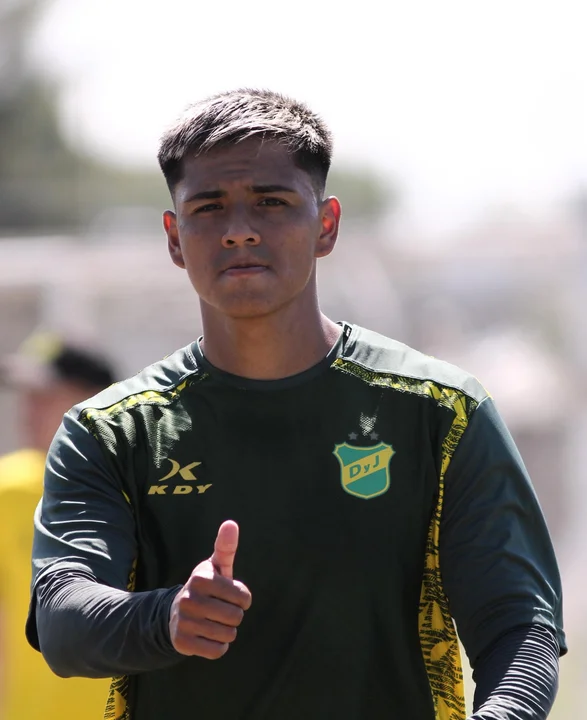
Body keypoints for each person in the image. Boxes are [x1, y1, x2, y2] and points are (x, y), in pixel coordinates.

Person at [25, 90, 565, 720]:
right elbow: (62, 618)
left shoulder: (441, 412)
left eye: (272, 201)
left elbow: (521, 628)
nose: (240, 228)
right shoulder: (109, 431)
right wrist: (165, 616)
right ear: (174, 238)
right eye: (208, 206)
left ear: (326, 225)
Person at [0, 331, 116, 720]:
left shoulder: (149, 493)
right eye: (27, 396)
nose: (28, 410)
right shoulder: (6, 490)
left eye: (46, 396)